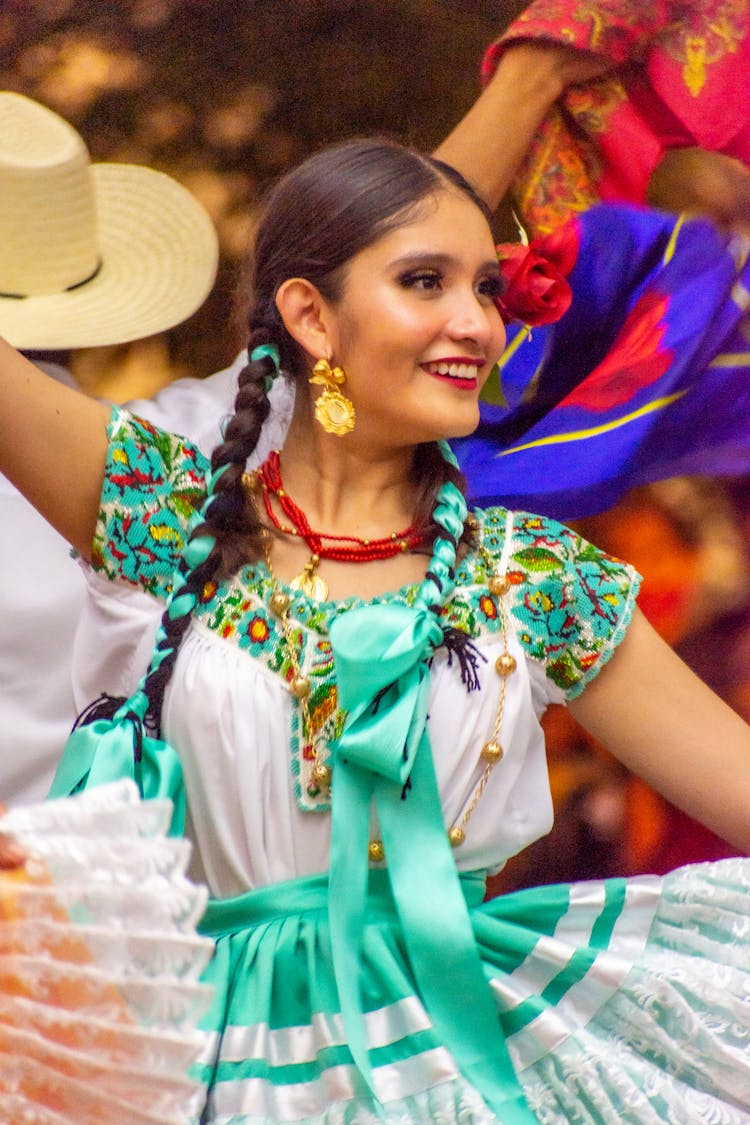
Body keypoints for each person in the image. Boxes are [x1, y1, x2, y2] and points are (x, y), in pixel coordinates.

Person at [3, 135, 750, 1123]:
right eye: (425, 281)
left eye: (486, 287)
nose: (476, 322)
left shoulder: (529, 575)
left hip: (464, 1067)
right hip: (199, 1071)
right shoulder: (166, 518)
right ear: (311, 315)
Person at [0, 91, 291, 805]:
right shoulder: (173, 457)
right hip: (96, 899)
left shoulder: (164, 456)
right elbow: (371, 275)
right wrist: (525, 84)